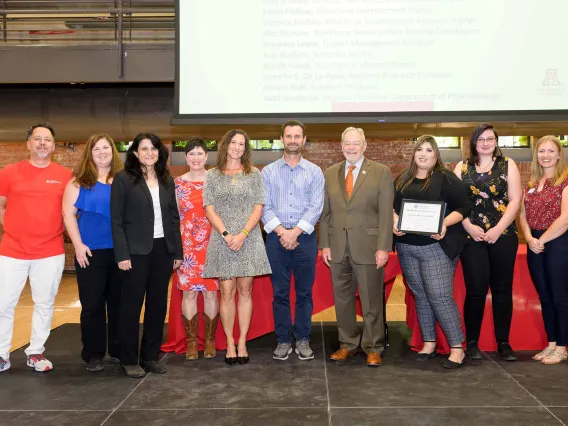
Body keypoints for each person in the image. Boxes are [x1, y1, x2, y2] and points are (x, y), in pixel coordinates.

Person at [0, 122, 72, 373]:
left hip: (50, 251)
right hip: (12, 250)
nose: (43, 143)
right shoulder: (9, 172)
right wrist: (15, 230)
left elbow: (70, 211)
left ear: (53, 146)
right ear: (28, 143)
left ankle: (36, 352)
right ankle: (1, 354)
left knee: (44, 303)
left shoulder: (65, 176)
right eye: (38, 139)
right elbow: (2, 205)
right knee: (3, 304)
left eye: (47, 139)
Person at [393, 135, 470, 369]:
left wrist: (444, 223)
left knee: (439, 296)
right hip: (407, 247)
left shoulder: (445, 178)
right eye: (419, 150)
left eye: (429, 150)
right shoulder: (402, 179)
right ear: (413, 153)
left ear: (436, 155)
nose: (423, 154)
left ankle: (457, 348)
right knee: (421, 295)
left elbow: (464, 207)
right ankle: (429, 342)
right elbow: (391, 206)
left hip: (435, 247)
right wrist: (395, 221)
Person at [319, 127, 394, 367]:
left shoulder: (381, 172)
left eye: (356, 143)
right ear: (341, 146)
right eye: (347, 143)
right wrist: (325, 245)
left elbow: (385, 214)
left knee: (371, 300)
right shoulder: (330, 173)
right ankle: (347, 344)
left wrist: (383, 247)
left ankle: (373, 346)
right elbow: (326, 213)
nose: (351, 148)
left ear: (364, 146)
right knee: (342, 300)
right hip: (338, 247)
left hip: (369, 247)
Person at [111, 133, 183, 378]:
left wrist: (177, 251)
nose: (150, 152)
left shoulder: (166, 179)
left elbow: (174, 218)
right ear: (135, 153)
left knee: (157, 305)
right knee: (131, 307)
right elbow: (117, 221)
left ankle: (150, 356)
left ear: (159, 152)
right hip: (134, 253)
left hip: (163, 251)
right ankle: (129, 358)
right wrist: (122, 253)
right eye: (144, 148)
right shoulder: (123, 179)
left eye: (154, 148)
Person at [202, 129, 271, 365]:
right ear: (225, 145)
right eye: (233, 142)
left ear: (246, 148)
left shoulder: (254, 174)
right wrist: (226, 234)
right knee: (227, 293)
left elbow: (258, 207)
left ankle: (242, 341)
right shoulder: (212, 175)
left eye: (242, 144)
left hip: (248, 239)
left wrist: (241, 234)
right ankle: (229, 342)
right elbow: (209, 208)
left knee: (245, 292)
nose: (237, 147)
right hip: (222, 241)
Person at [453, 123, 522, 361]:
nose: (485, 143)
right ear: (473, 142)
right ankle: (471, 343)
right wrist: (469, 227)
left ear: (496, 141)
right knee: (476, 290)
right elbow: (456, 203)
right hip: (471, 236)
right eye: (480, 139)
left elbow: (515, 200)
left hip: (503, 235)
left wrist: (497, 229)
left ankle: (504, 342)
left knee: (502, 290)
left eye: (490, 138)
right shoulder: (461, 167)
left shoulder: (508, 164)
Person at [261, 120, 324, 361]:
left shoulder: (314, 172)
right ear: (282, 139)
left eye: (297, 136)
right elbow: (264, 207)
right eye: (289, 136)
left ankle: (304, 338)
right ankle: (284, 340)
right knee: (280, 293)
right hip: (276, 241)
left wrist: (294, 232)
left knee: (305, 293)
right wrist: (282, 232)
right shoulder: (267, 172)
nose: (293, 140)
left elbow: (315, 207)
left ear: (304, 140)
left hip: (305, 240)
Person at [62, 133, 123, 372]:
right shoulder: (78, 181)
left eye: (105, 147)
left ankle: (118, 350)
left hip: (120, 252)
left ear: (112, 151)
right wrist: (78, 245)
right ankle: (93, 353)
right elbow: (68, 214)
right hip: (90, 251)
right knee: (92, 304)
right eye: (96, 149)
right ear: (90, 152)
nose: (101, 152)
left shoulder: (122, 180)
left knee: (118, 303)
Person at [519, 135, 568, 365]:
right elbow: (523, 215)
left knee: (559, 296)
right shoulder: (530, 184)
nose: (545, 155)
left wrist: (543, 240)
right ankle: (550, 344)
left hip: (558, 241)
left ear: (559, 154)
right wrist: (529, 238)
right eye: (541, 151)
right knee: (545, 297)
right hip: (535, 242)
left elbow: (566, 218)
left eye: (550, 151)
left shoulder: (565, 181)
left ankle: (561, 347)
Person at [176, 138, 219, 360]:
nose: (196, 158)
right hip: (186, 248)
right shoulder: (177, 184)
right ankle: (192, 341)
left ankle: (209, 340)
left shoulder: (216, 181)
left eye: (200, 153)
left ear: (206, 156)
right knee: (189, 293)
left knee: (211, 293)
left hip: (213, 244)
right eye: (191, 154)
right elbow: (172, 218)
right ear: (185, 158)